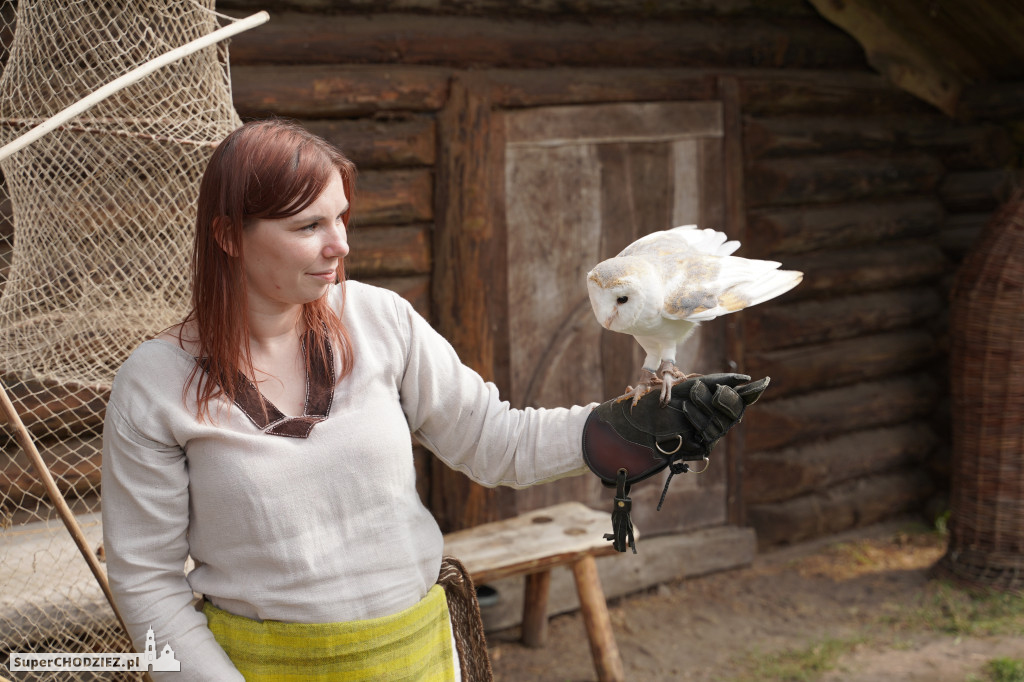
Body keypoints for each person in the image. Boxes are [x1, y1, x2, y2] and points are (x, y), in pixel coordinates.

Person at [101, 118, 765, 682]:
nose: (341, 245)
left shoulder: (379, 321)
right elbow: (147, 586)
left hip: (418, 660)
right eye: (308, 226)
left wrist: (626, 431)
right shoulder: (154, 384)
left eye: (342, 217)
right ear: (227, 237)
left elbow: (492, 440)